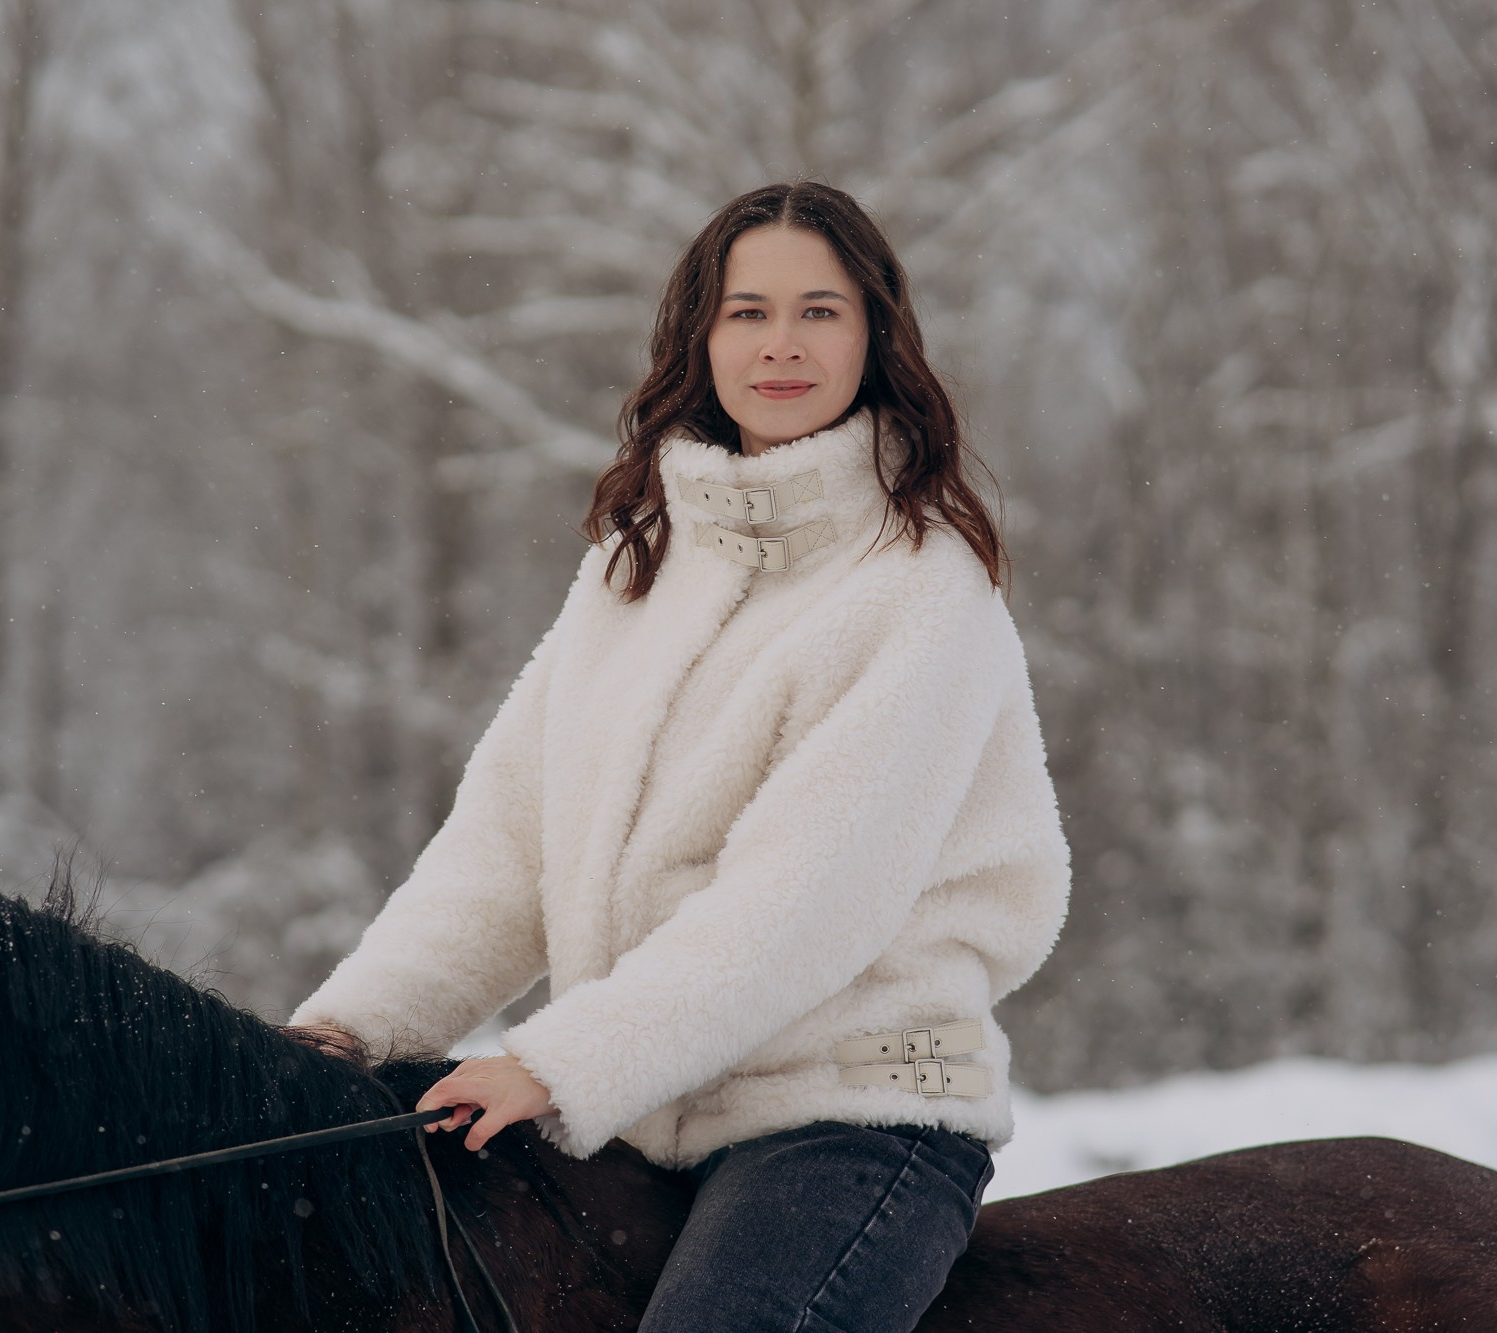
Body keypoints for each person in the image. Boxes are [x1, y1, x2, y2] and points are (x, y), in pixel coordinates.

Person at [291, 180, 1071, 1331]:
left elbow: (802, 901)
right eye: (746, 312)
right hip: (639, 1106)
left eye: (820, 311)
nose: (782, 344)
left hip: (849, 1114)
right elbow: (506, 849)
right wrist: (345, 1033)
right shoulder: (632, 570)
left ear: (875, 336)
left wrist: (554, 1066)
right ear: (699, 339)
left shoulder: (920, 587)